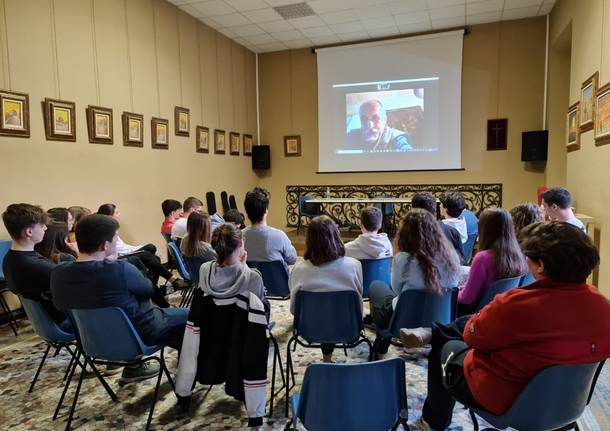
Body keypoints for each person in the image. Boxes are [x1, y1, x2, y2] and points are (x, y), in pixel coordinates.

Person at [409, 221, 610, 431]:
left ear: (541, 266)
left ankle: (433, 421)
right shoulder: (602, 305)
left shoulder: (517, 304)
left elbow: (472, 337)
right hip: (569, 402)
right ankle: (434, 331)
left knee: (445, 343)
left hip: (508, 398)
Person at [51, 214, 189, 384]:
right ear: (105, 245)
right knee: (193, 316)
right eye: (115, 238)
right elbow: (148, 289)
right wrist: (113, 263)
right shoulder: (120, 269)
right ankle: (187, 378)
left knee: (176, 327)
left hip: (91, 342)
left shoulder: (58, 273)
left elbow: (60, 305)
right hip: (141, 334)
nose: (117, 242)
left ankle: (137, 368)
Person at [175, 223, 270, 427]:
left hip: (210, 342)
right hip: (243, 344)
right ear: (242, 244)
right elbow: (261, 314)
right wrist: (243, 265)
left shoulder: (204, 270)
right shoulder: (252, 276)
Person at [369, 209, 461, 358]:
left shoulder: (402, 259)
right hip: (440, 319)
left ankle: (381, 345)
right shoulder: (451, 258)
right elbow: (454, 284)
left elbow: (397, 289)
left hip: (403, 319)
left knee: (376, 286)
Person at [289, 215, 363, 362]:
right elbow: (358, 304)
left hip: (309, 329)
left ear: (309, 240)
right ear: (336, 236)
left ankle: (326, 358)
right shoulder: (354, 265)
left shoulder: (298, 269)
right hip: (347, 326)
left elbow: (294, 310)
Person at [1, 204, 69, 327]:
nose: (45, 229)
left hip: (43, 324)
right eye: (42, 226)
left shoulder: (9, 259)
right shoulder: (34, 265)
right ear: (29, 232)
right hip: (63, 322)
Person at [97, 203, 186, 290]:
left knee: (154, 256)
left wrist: (138, 248)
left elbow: (123, 246)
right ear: (108, 216)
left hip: (126, 252)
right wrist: (138, 250)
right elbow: (120, 251)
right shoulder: (107, 230)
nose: (119, 215)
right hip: (120, 258)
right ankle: (172, 280)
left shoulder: (112, 228)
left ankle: (155, 288)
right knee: (148, 252)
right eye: (116, 213)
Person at [455, 209, 526, 316]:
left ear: (484, 229)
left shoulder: (483, 258)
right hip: (501, 310)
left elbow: (466, 298)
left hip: (476, 314)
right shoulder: (519, 255)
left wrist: (452, 293)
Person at [242, 187, 297, 271]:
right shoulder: (280, 236)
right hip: (278, 283)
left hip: (250, 283)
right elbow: (292, 259)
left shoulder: (239, 237)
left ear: (247, 212)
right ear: (266, 211)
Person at [411, 192, 465, 263]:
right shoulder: (454, 230)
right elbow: (461, 259)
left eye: (441, 204)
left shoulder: (408, 233)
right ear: (434, 210)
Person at [346, 100, 412, 152]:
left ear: (384, 120)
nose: (370, 126)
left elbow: (407, 152)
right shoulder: (352, 136)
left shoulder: (396, 138)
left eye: (375, 118)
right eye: (364, 119)